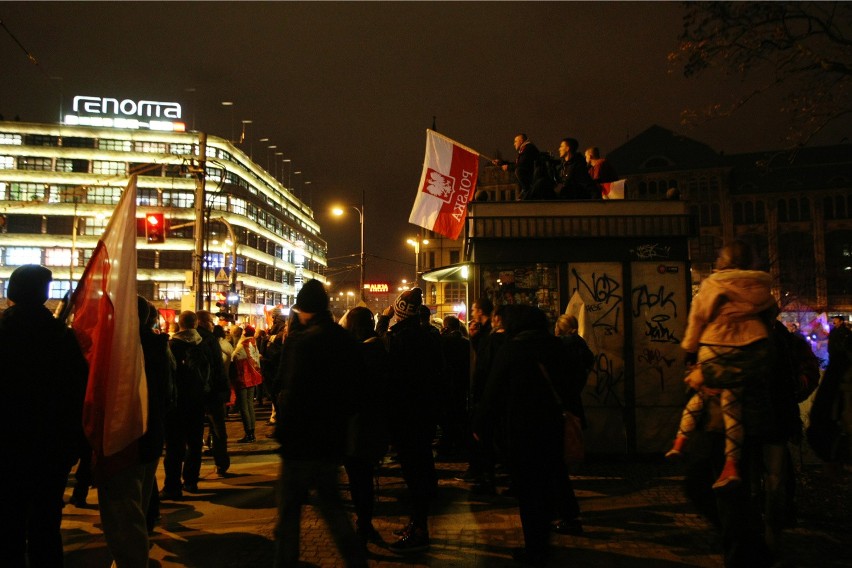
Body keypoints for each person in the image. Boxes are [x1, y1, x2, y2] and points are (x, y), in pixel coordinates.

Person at [273, 279, 367, 568]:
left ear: (304, 310)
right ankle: (356, 561)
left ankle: (285, 563)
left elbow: (290, 391)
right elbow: (355, 392)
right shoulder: (344, 340)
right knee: (334, 511)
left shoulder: (303, 342)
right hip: (330, 440)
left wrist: (284, 428)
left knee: (288, 514)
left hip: (300, 443)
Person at [669, 241, 776, 490]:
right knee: (732, 407)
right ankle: (732, 465)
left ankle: (680, 440)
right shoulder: (761, 290)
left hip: (713, 344)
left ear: (722, 262)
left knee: (700, 394)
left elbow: (697, 317)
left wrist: (691, 350)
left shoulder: (713, 284)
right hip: (751, 341)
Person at [1, 265, 88, 567]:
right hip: (51, 447)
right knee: (46, 523)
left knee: (9, 524)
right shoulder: (62, 338)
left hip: (8, 445)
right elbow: (78, 392)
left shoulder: (4, 332)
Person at [474, 304, 570, 567]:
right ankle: (545, 540)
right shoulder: (555, 346)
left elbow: (492, 392)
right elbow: (570, 383)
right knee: (547, 483)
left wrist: (481, 425)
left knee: (529, 492)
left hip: (522, 429)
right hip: (552, 427)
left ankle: (535, 548)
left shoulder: (512, 349)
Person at [96, 296, 172, 567]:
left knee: (123, 512)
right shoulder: (158, 348)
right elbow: (167, 394)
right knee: (136, 504)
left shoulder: (119, 350)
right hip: (150, 435)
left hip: (124, 437)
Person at [380, 287, 444, 553]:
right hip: (425, 414)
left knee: (413, 473)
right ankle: (417, 524)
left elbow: (387, 373)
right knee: (422, 469)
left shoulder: (397, 339)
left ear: (399, 311)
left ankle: (419, 529)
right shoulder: (430, 337)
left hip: (406, 415)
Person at [340, 306, 392, 549]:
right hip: (374, 425)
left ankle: (362, 525)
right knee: (365, 479)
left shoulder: (357, 352)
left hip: (355, 426)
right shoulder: (380, 348)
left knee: (358, 479)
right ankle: (365, 522)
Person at [551, 314, 594, 535]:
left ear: (561, 328)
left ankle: (562, 511)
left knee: (556, 458)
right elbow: (588, 363)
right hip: (573, 399)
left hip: (562, 402)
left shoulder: (561, 346)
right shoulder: (581, 345)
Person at [162, 310, 210, 499]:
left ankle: (172, 485)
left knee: (174, 445)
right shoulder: (204, 344)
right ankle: (191, 480)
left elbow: (168, 374)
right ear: (196, 323)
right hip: (197, 400)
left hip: (177, 401)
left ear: (179, 324)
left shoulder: (172, 345)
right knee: (195, 443)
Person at [196, 310, 231, 475]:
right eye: (210, 321)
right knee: (218, 430)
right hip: (213, 392)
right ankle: (221, 464)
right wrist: (224, 390)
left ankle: (191, 474)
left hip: (194, 393)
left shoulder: (184, 340)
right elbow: (218, 368)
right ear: (203, 322)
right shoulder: (210, 340)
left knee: (193, 433)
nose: (213, 324)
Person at [438, 315, 471, 457]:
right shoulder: (466, 342)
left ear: (446, 327)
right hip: (462, 382)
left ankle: (448, 446)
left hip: (448, 383)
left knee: (449, 416)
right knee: (460, 413)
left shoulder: (444, 341)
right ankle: (461, 444)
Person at [232, 325, 263, 443]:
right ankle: (252, 432)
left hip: (244, 377)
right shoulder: (253, 343)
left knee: (244, 405)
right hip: (253, 377)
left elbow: (234, 357)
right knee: (250, 405)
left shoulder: (243, 345)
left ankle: (248, 432)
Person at [492, 133, 540, 200]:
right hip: (532, 175)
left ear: (521, 141)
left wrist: (508, 167)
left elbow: (521, 165)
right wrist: (501, 163)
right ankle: (525, 191)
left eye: (515, 141)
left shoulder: (528, 148)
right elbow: (516, 163)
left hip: (533, 177)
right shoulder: (525, 149)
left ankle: (527, 190)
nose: (514, 144)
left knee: (519, 170)